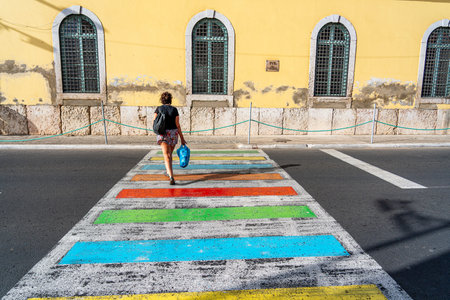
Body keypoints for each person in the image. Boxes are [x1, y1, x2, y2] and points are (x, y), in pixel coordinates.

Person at [154, 92, 186, 185]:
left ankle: (171, 176)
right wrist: (182, 139)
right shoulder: (174, 110)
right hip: (173, 133)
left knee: (166, 155)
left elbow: (154, 122)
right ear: (170, 100)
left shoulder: (158, 109)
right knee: (169, 155)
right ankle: (169, 172)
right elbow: (178, 125)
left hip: (163, 133)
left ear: (162, 100)